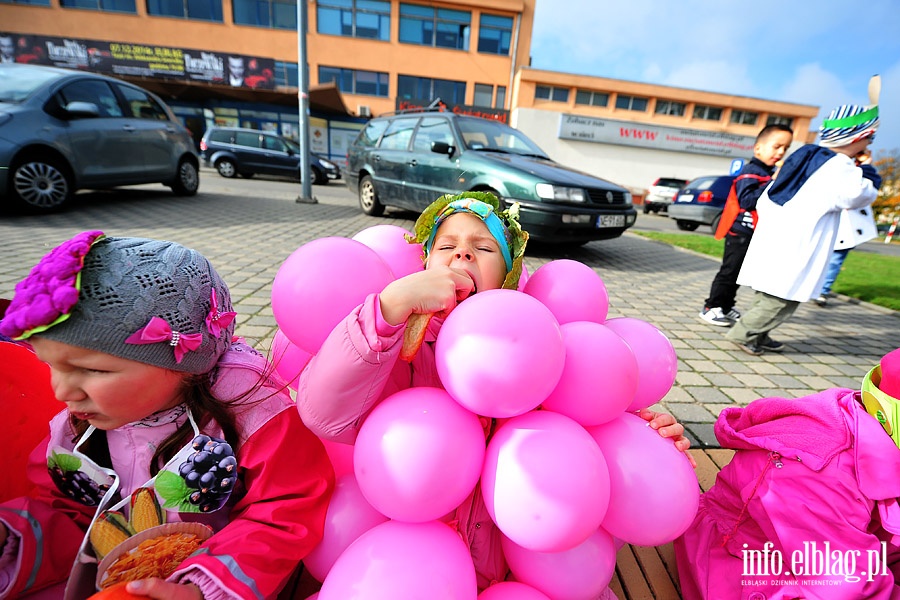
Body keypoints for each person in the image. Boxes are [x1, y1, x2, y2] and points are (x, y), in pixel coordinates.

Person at [297, 191, 694, 593]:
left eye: (483, 248)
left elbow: (587, 480)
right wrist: (388, 309)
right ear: (425, 266)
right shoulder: (395, 348)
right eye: (447, 246)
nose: (463, 255)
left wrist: (649, 436)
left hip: (513, 571)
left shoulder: (540, 352)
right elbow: (324, 414)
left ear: (508, 275)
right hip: (409, 563)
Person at [0, 232, 334, 599]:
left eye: (92, 370)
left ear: (186, 366)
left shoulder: (248, 412)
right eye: (51, 365)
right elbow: (69, 509)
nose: (61, 392)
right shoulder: (79, 425)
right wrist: (11, 537)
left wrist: (202, 587)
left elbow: (284, 510)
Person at [674, 346, 900, 599]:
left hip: (835, 548)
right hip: (753, 562)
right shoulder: (819, 476)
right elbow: (847, 586)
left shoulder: (870, 421)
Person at [725, 102, 881, 355]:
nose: (869, 145)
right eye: (869, 138)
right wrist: (867, 169)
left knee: (769, 291)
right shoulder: (839, 167)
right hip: (800, 240)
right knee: (783, 298)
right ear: (858, 138)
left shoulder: (804, 154)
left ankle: (759, 334)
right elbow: (857, 196)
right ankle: (744, 334)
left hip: (776, 233)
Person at [699, 124, 794, 327]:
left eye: (785, 148)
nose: (781, 152)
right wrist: (773, 183)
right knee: (729, 271)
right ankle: (711, 307)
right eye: (777, 146)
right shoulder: (751, 171)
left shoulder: (768, 173)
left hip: (753, 234)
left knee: (739, 274)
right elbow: (748, 201)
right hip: (739, 232)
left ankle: (725, 306)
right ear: (758, 148)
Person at [814, 204, 878, 306]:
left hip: (848, 224)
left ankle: (823, 291)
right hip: (823, 217)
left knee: (835, 261)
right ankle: (810, 286)